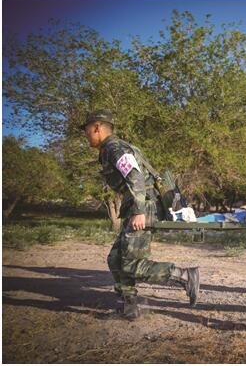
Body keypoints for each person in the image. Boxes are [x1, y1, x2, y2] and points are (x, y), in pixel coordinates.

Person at [81, 110, 200, 320]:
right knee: (115, 259)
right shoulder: (112, 148)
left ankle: (184, 276)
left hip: (144, 207)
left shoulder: (114, 147)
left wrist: (138, 211)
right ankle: (130, 307)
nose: (86, 135)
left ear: (97, 127)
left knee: (130, 263)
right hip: (141, 205)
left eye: (87, 130)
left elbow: (134, 177)